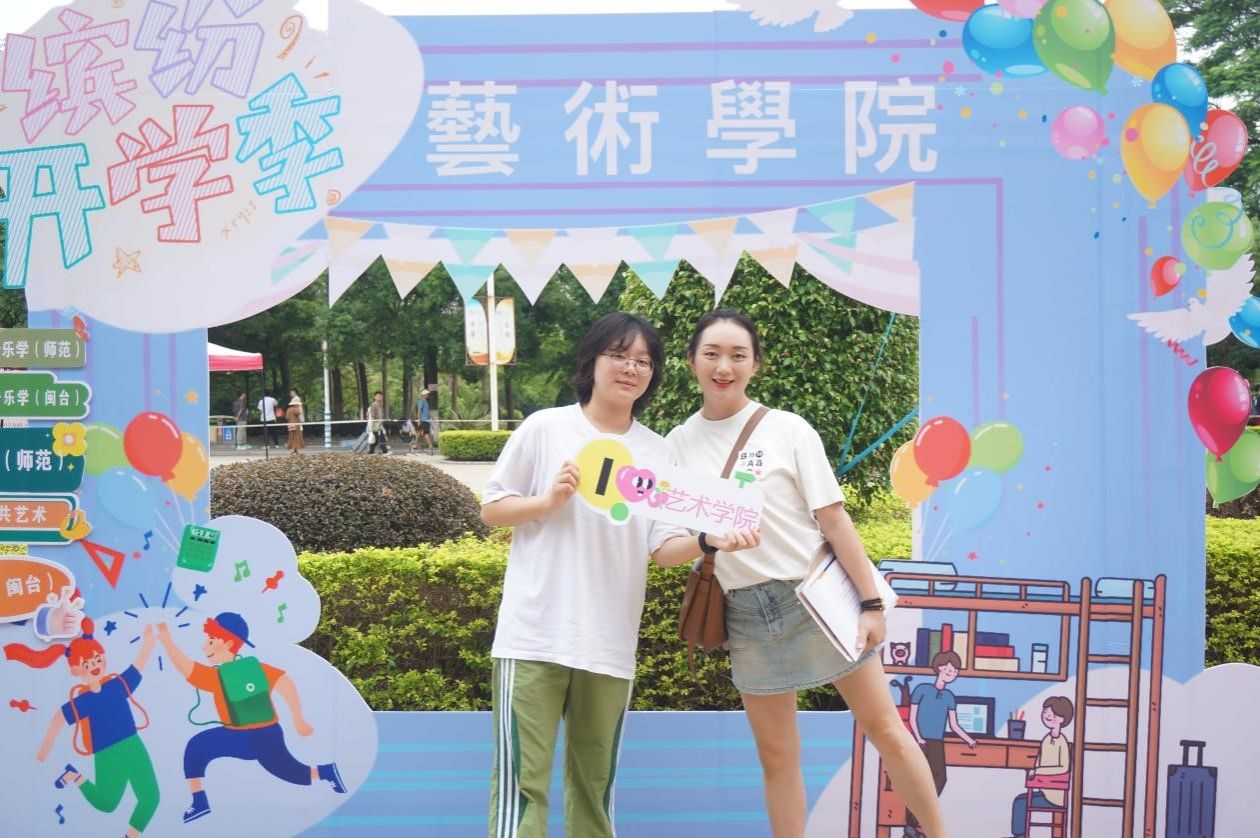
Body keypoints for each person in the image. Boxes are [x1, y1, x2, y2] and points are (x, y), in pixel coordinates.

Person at [666, 309, 947, 838]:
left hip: (815, 599)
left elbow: (833, 520)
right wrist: (708, 540)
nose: (724, 367)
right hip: (745, 613)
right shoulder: (675, 445)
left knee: (886, 729)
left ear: (755, 365)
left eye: (738, 355)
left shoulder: (787, 429)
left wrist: (870, 604)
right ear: (691, 361)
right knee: (777, 755)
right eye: (712, 354)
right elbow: (666, 551)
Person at [480, 312, 760, 838]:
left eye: (643, 361)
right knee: (522, 787)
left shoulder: (658, 451)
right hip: (534, 635)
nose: (630, 368)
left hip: (608, 642)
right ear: (592, 361)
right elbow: (492, 509)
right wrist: (548, 501)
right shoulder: (546, 428)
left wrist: (708, 540)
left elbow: (663, 549)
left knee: (595, 788)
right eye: (618, 355)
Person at [156, 614, 346, 823]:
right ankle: (200, 801)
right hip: (259, 734)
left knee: (290, 772)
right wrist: (298, 720)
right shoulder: (249, 670)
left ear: (228, 643)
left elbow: (187, 668)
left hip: (255, 737)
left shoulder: (220, 676)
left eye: (210, 641)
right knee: (198, 747)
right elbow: (285, 683)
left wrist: (167, 641)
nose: (204, 647)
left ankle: (325, 772)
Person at [8, 619, 162, 838]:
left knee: (151, 798)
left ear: (104, 658)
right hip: (106, 754)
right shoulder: (84, 701)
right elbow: (59, 717)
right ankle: (75, 776)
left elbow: (137, 666)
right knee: (107, 803)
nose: (95, 666)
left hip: (132, 745)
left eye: (97, 660)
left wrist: (148, 643)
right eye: (87, 664)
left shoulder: (116, 685)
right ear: (76, 670)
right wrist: (46, 747)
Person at [907, 651, 977, 837]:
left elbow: (954, 724)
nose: (951, 673)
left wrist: (969, 739)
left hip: (937, 742)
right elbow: (912, 717)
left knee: (940, 778)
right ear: (939, 668)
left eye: (954, 671)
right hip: (920, 741)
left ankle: (915, 819)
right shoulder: (922, 689)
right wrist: (918, 737)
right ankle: (914, 822)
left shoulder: (949, 696)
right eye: (948, 669)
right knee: (916, 778)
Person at [1007, 697, 1073, 838]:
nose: (1047, 716)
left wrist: (1038, 772)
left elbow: (1064, 767)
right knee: (1020, 800)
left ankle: (1019, 836)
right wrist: (1035, 771)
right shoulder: (1046, 739)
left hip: (1055, 796)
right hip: (1045, 791)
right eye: (1045, 713)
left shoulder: (1062, 742)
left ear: (1061, 719)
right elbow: (1039, 761)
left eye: (1052, 715)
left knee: (1020, 802)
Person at [413, 389, 435, 453]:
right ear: (424, 395)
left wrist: (433, 417)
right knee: (425, 433)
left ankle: (415, 444)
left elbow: (428, 411)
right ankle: (430, 445)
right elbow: (419, 411)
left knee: (419, 432)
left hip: (426, 420)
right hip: (423, 420)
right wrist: (419, 420)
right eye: (427, 394)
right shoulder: (421, 401)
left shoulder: (426, 402)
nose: (428, 395)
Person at [285, 389, 305, 455]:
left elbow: (286, 417)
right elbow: (300, 413)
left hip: (290, 424)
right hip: (296, 425)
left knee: (292, 437)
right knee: (296, 437)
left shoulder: (288, 409)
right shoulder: (295, 409)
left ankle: (295, 450)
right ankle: (293, 449)